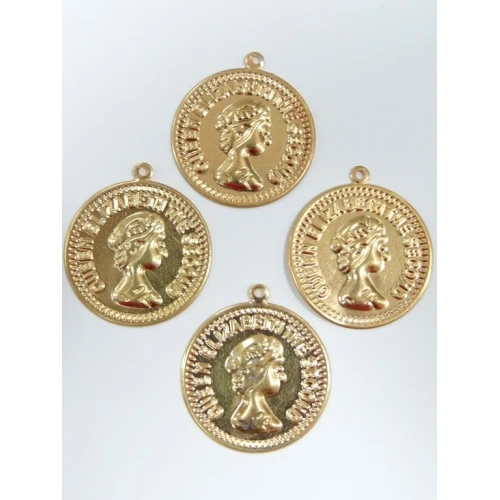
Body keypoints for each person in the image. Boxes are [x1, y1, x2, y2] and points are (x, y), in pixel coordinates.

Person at [225, 334, 287, 436]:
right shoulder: (243, 421)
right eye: (276, 367)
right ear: (261, 371)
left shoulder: (265, 419)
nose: (283, 375)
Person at [107, 211, 168, 308]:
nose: (165, 253)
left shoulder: (148, 295)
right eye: (159, 243)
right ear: (136, 248)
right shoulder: (125, 297)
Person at [330, 215, 391, 311]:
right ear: (360, 252)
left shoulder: (369, 294)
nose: (386, 255)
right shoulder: (350, 298)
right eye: (381, 247)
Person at [215, 99, 272, 191]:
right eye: (263, 129)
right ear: (242, 131)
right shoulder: (226, 178)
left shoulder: (250, 177)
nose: (268, 138)